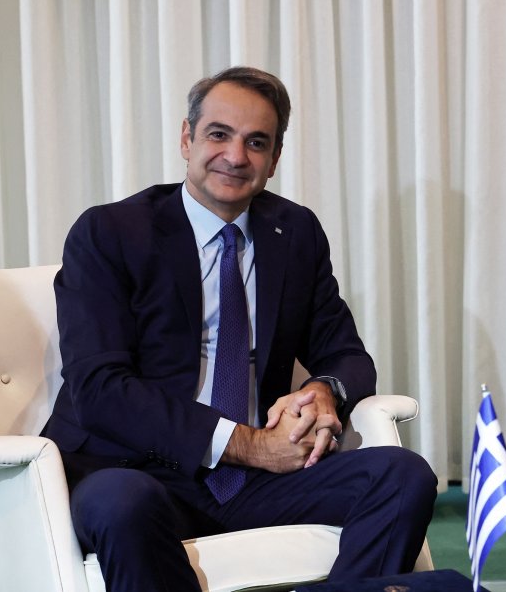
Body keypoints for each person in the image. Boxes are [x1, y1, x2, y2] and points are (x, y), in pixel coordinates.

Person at [42, 66, 437, 591]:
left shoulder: (293, 233)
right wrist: (247, 444)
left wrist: (323, 391)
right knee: (119, 504)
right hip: (136, 470)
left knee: (403, 476)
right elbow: (99, 390)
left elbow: (346, 355)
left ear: (274, 160)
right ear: (187, 139)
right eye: (218, 134)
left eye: (257, 143)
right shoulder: (110, 233)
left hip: (257, 481)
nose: (235, 156)